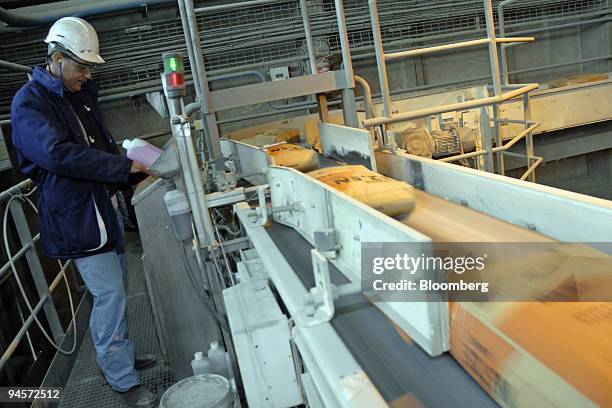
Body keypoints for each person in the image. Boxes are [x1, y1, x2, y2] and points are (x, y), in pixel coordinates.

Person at [11, 17, 157, 408]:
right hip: (77, 218)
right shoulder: (29, 104)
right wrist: (122, 169)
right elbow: (58, 154)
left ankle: (121, 360)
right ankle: (122, 382)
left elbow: (102, 144)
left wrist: (130, 175)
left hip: (101, 210)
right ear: (57, 59)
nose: (87, 73)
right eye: (82, 66)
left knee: (116, 293)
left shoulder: (76, 95)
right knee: (109, 296)